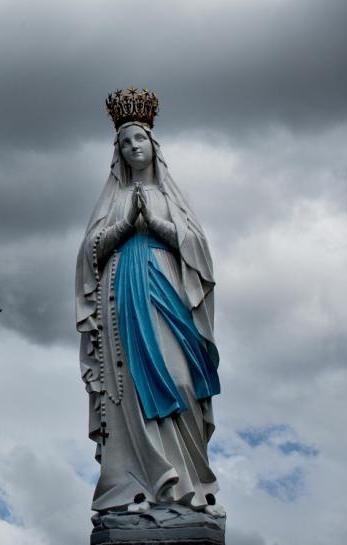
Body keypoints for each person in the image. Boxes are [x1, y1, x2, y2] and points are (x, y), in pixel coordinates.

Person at [76, 87, 224, 520]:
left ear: (153, 145)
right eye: (123, 142)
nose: (131, 146)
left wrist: (156, 224)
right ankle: (141, 485)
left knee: (179, 381)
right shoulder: (114, 199)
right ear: (117, 152)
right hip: (123, 296)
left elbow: (200, 252)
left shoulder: (170, 196)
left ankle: (189, 485)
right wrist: (124, 226)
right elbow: (89, 254)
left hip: (167, 293)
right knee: (132, 392)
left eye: (137, 138)